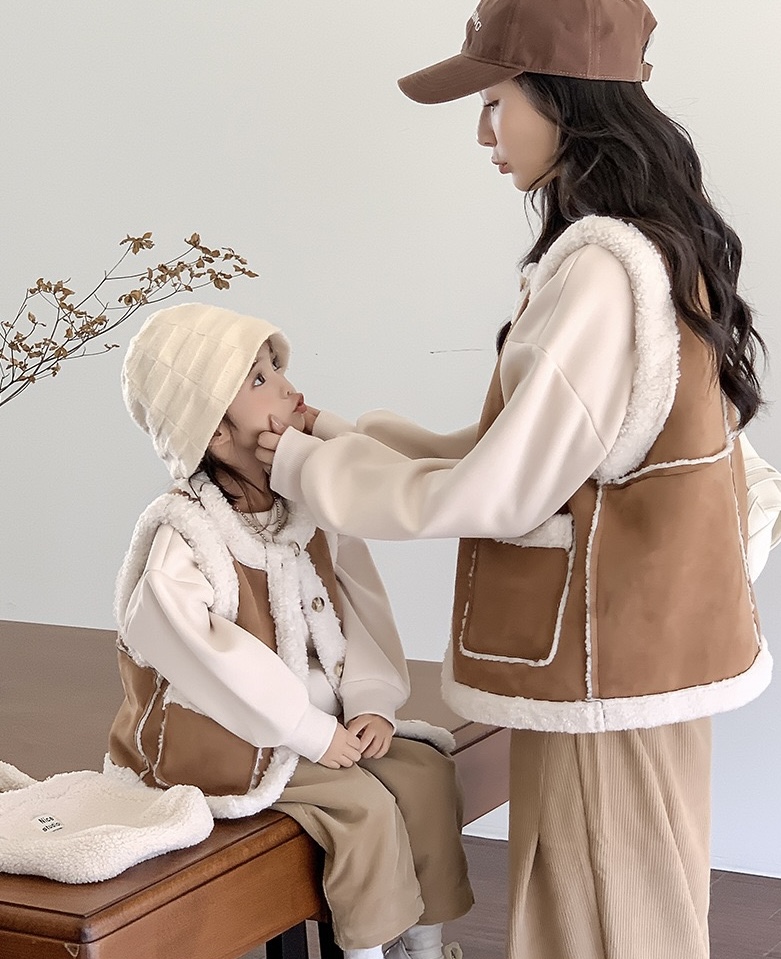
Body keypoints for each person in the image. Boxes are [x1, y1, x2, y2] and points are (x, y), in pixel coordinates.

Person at [257, 1, 781, 957]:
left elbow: (497, 491)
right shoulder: (653, 251)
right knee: (635, 900)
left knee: (600, 917)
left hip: (598, 667)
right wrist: (341, 434)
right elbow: (521, 449)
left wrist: (303, 466)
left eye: (496, 100)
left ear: (564, 100)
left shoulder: (600, 275)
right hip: (638, 654)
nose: (482, 132)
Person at [106, 302, 473, 959]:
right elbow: (204, 656)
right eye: (258, 378)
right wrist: (307, 729)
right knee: (362, 809)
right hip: (224, 734)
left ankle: (423, 944)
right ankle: (366, 950)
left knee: (425, 776)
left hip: (316, 722)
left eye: (276, 366)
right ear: (216, 434)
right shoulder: (187, 532)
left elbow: (360, 606)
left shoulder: (306, 502)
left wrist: (369, 701)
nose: (285, 384)